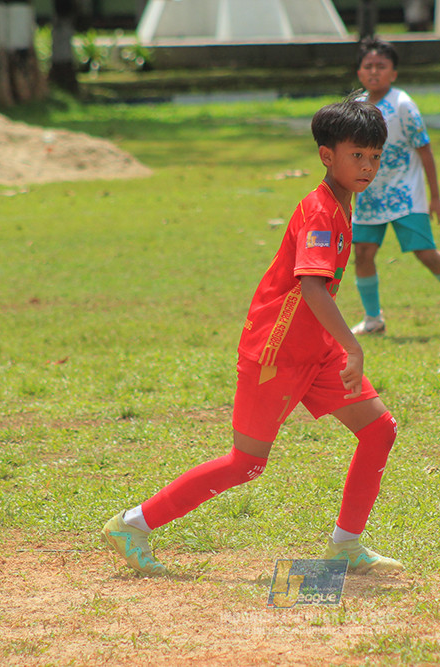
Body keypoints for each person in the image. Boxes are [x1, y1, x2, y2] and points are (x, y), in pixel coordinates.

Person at [102, 99, 404, 576]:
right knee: (246, 463)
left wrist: (336, 346)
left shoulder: (342, 204)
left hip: (315, 349)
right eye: (356, 156)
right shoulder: (321, 210)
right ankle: (132, 524)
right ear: (327, 156)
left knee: (378, 429)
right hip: (276, 353)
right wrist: (353, 344)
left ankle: (345, 545)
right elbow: (310, 287)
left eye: (374, 156)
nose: (367, 166)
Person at [349, 37, 440, 336]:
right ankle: (374, 319)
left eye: (381, 67)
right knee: (363, 253)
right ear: (359, 73)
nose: (374, 72)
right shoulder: (355, 107)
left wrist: (435, 197)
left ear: (393, 73)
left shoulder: (404, 105)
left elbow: (425, 150)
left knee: (425, 252)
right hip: (369, 194)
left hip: (405, 194)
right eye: (368, 66)